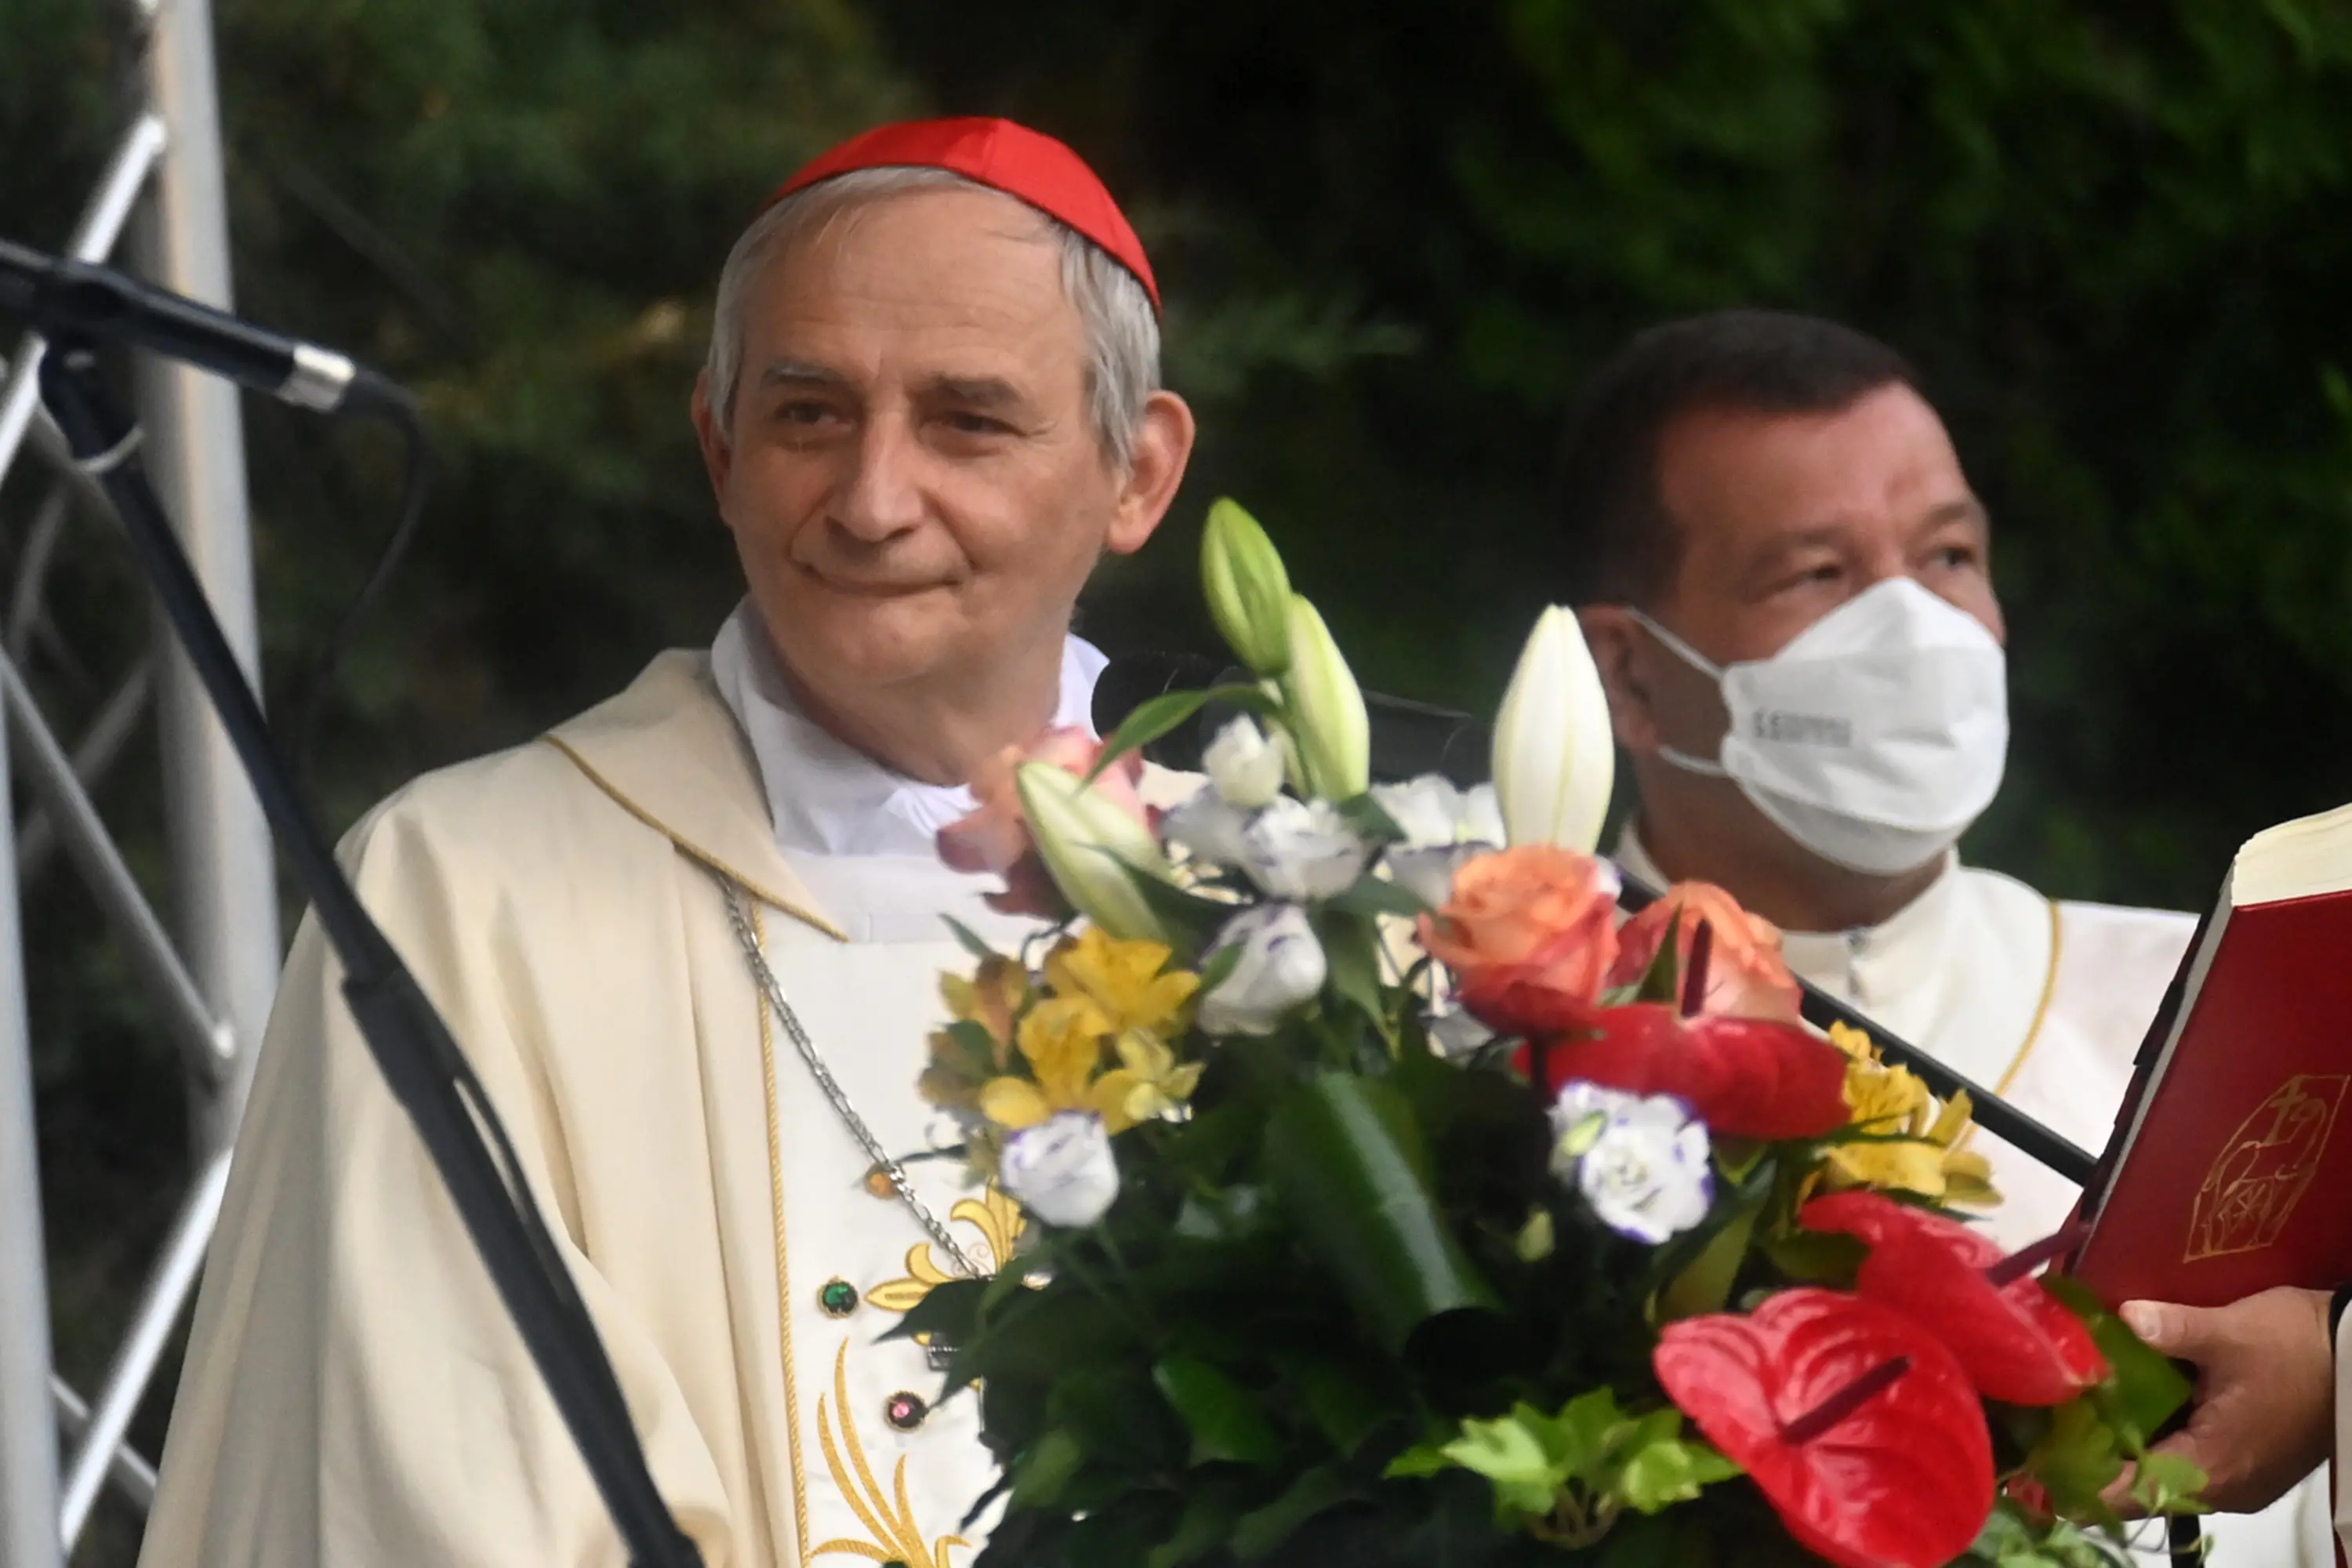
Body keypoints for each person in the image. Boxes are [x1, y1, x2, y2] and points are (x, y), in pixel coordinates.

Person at [137, 117, 1196, 1566]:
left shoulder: (1285, 916)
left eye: (968, 419)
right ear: (717, 446)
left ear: (1137, 473)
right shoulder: (465, 900)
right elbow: (427, 1500)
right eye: (809, 414)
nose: (876, 501)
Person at [1559, 308, 2335, 1562]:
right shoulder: (1464, 1042)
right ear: (1632, 675)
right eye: (1819, 576)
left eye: (1950, 556)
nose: (1916, 628)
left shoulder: (2228, 1019)